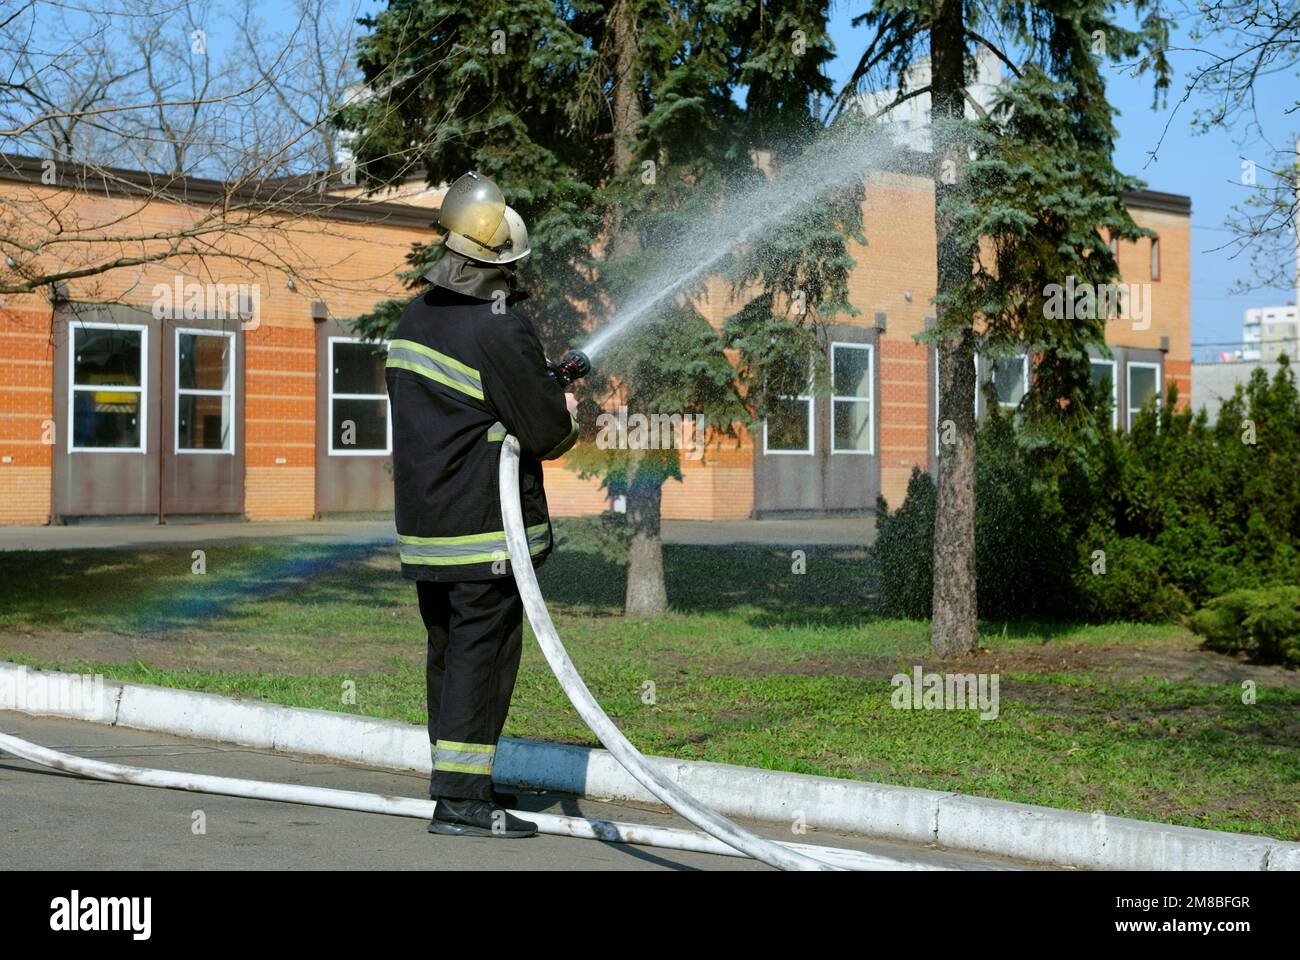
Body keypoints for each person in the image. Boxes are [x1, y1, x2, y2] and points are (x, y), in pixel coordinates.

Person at [386, 171, 579, 838]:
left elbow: (461, 405)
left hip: (427, 526)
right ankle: (463, 804)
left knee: (448, 652)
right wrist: (560, 403)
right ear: (499, 265)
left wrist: (536, 380)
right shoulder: (502, 329)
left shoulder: (416, 315)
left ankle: (460, 782)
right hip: (484, 531)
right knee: (482, 656)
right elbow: (548, 433)